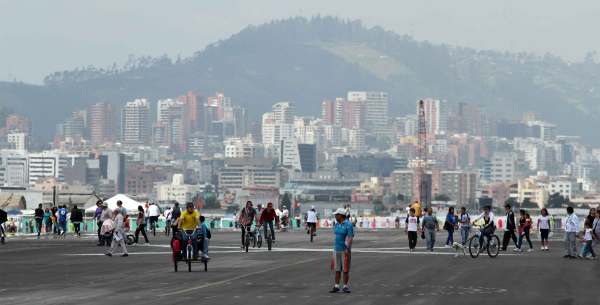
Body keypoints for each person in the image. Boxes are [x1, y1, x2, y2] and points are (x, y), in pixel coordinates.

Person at [329, 208, 354, 294]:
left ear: (340, 215)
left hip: (345, 250)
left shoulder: (348, 224)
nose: (335, 216)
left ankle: (345, 286)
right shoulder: (336, 224)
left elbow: (350, 237)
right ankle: (336, 286)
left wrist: (347, 248)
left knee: (345, 270)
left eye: (336, 215)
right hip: (336, 249)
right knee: (337, 269)